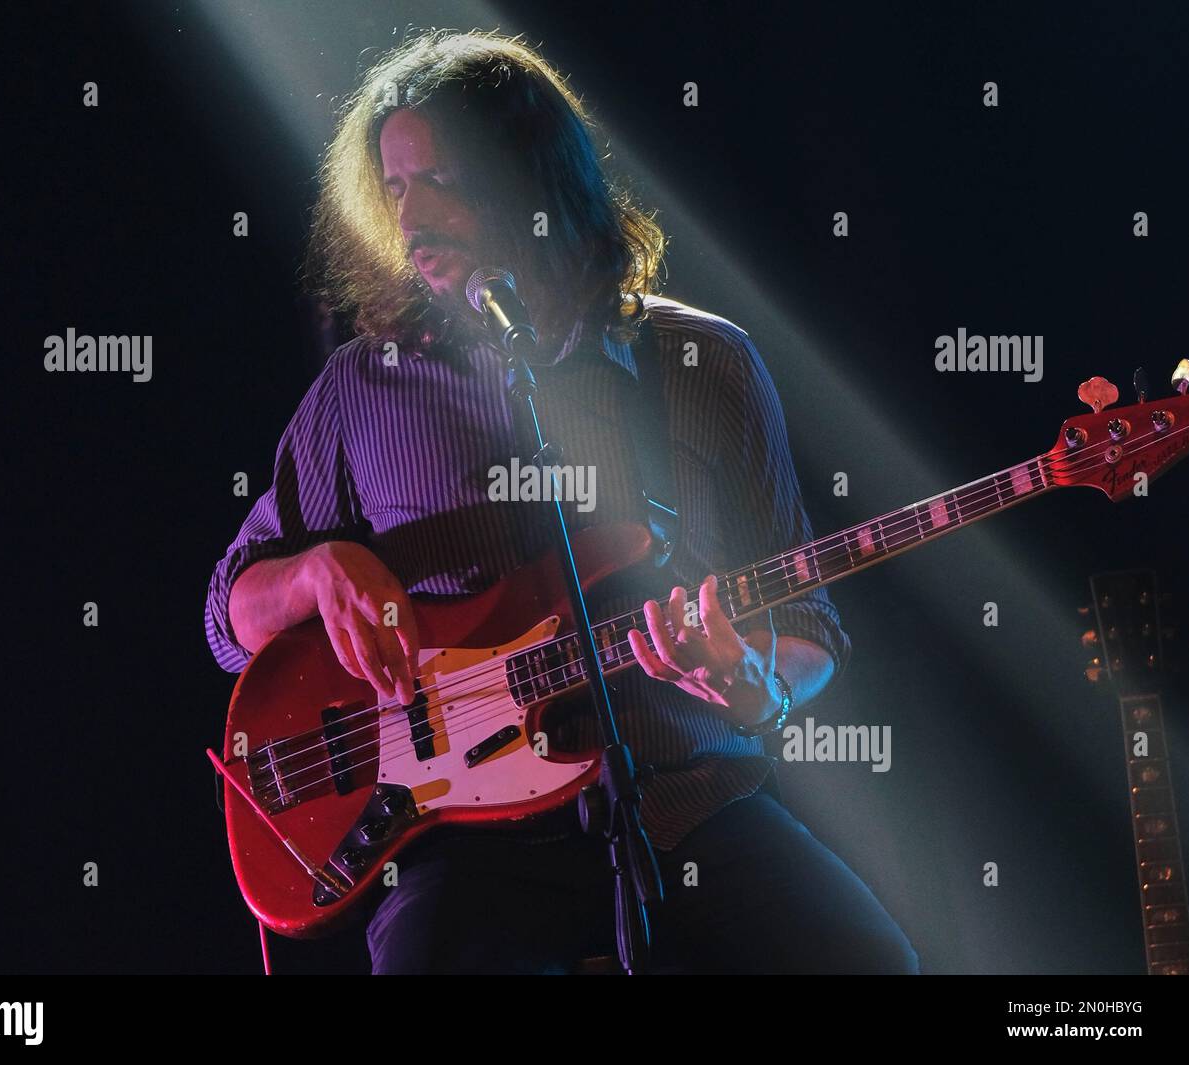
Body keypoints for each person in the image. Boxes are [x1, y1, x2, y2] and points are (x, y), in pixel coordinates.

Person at [204, 29, 918, 975]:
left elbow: (809, 627)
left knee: (873, 966)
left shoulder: (705, 364)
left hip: (680, 796)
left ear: (531, 178)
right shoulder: (363, 389)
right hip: (467, 845)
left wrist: (758, 683)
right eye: (397, 186)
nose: (410, 217)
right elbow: (228, 618)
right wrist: (317, 572)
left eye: (442, 181)